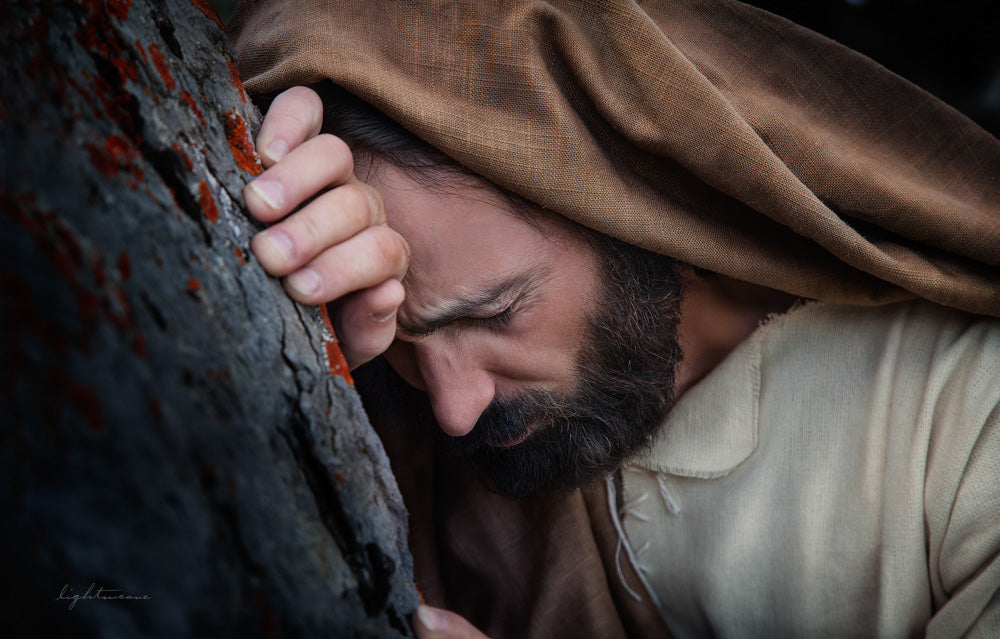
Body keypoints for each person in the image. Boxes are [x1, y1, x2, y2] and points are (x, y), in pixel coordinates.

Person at [230, 1, 1000, 637]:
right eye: (406, 338)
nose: (454, 409)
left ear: (639, 202)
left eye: (499, 311)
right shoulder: (413, 419)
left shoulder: (970, 419)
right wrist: (342, 363)